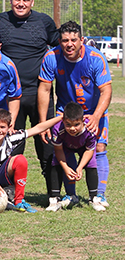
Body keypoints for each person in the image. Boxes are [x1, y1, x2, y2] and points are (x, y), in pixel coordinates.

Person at [0, 0, 59, 195]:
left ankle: (53, 194)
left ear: (32, 1)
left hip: (40, 96)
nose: (20, 3)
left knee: (47, 144)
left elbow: (63, 43)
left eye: (25, 0)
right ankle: (7, 192)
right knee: (10, 147)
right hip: (9, 98)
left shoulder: (44, 22)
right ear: (11, 0)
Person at [38, 21, 112, 207]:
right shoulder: (51, 57)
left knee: (99, 149)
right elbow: (44, 90)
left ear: (82, 40)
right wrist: (43, 122)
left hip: (93, 112)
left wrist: (96, 116)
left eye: (73, 40)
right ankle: (71, 195)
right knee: (66, 148)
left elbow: (106, 91)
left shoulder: (96, 58)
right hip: (67, 114)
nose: (69, 44)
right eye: (64, 40)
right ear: (59, 41)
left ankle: (98, 195)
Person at [0, 109, 62, 214]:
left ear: (9, 127)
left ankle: (18, 200)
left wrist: (61, 118)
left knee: (20, 160)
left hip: (2, 174)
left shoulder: (11, 138)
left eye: (2, 127)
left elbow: (37, 128)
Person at [46, 102, 103, 212]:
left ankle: (94, 198)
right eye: (68, 125)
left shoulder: (90, 128)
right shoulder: (58, 129)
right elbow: (58, 150)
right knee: (55, 162)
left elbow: (90, 150)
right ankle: (54, 199)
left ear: (83, 121)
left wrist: (80, 167)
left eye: (76, 124)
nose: (72, 128)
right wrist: (66, 167)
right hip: (65, 147)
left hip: (84, 147)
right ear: (63, 121)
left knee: (91, 163)